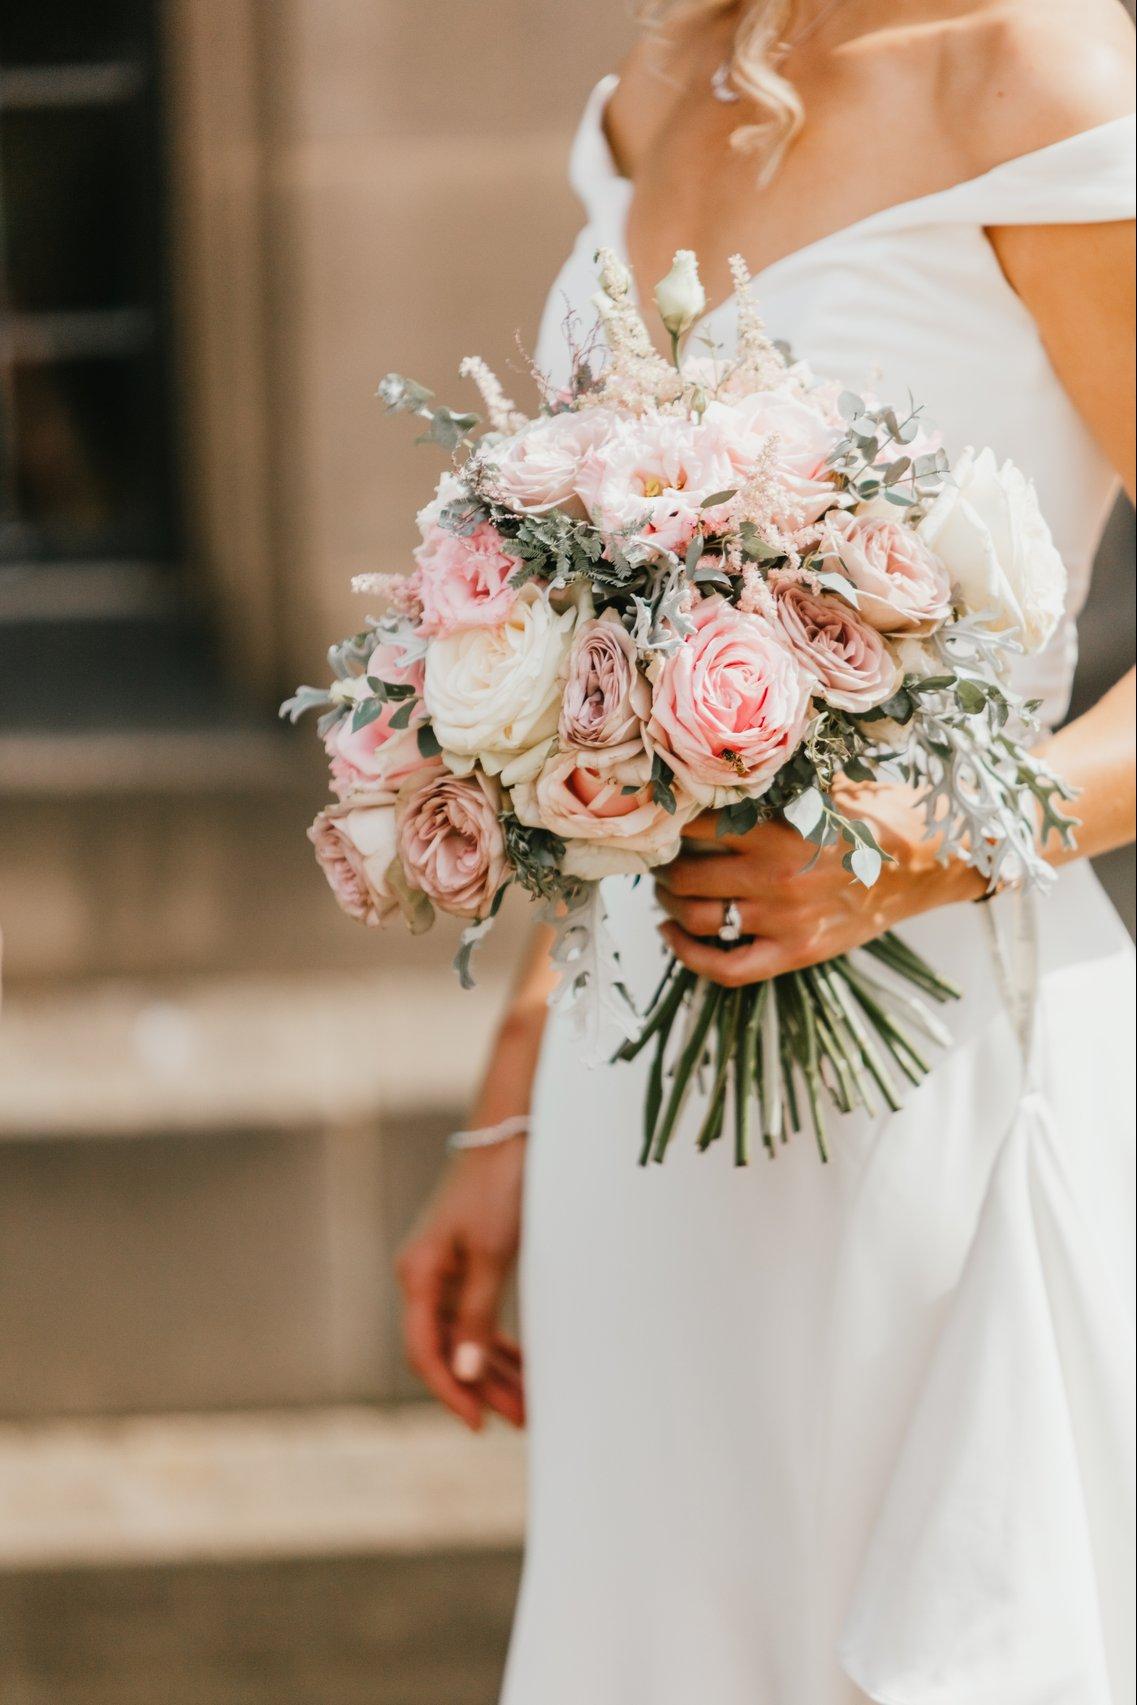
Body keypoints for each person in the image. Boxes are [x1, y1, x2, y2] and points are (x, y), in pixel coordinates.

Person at [397, 2, 1137, 1698]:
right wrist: (510, 1096)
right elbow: (603, 670)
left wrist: (927, 846)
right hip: (629, 1091)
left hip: (934, 1072)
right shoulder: (662, 79)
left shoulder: (1031, 76)